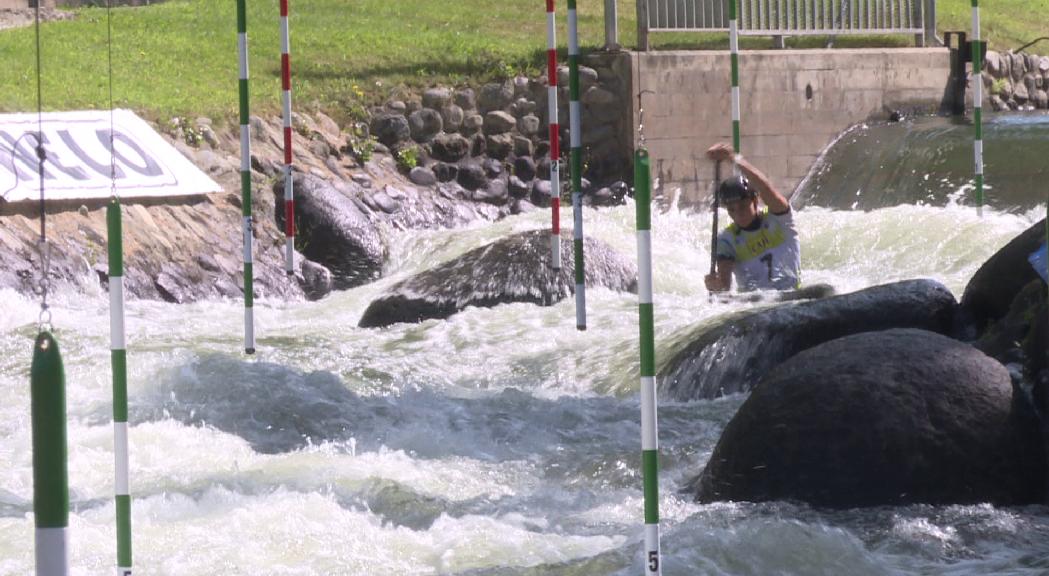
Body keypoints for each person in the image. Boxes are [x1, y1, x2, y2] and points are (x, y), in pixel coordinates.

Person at [704, 143, 801, 293]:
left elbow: (765, 187)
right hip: (755, 304)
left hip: (790, 295)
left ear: (755, 201)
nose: (738, 213)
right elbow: (724, 287)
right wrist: (716, 286)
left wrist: (734, 159)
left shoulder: (779, 219)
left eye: (742, 206)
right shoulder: (726, 240)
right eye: (731, 209)